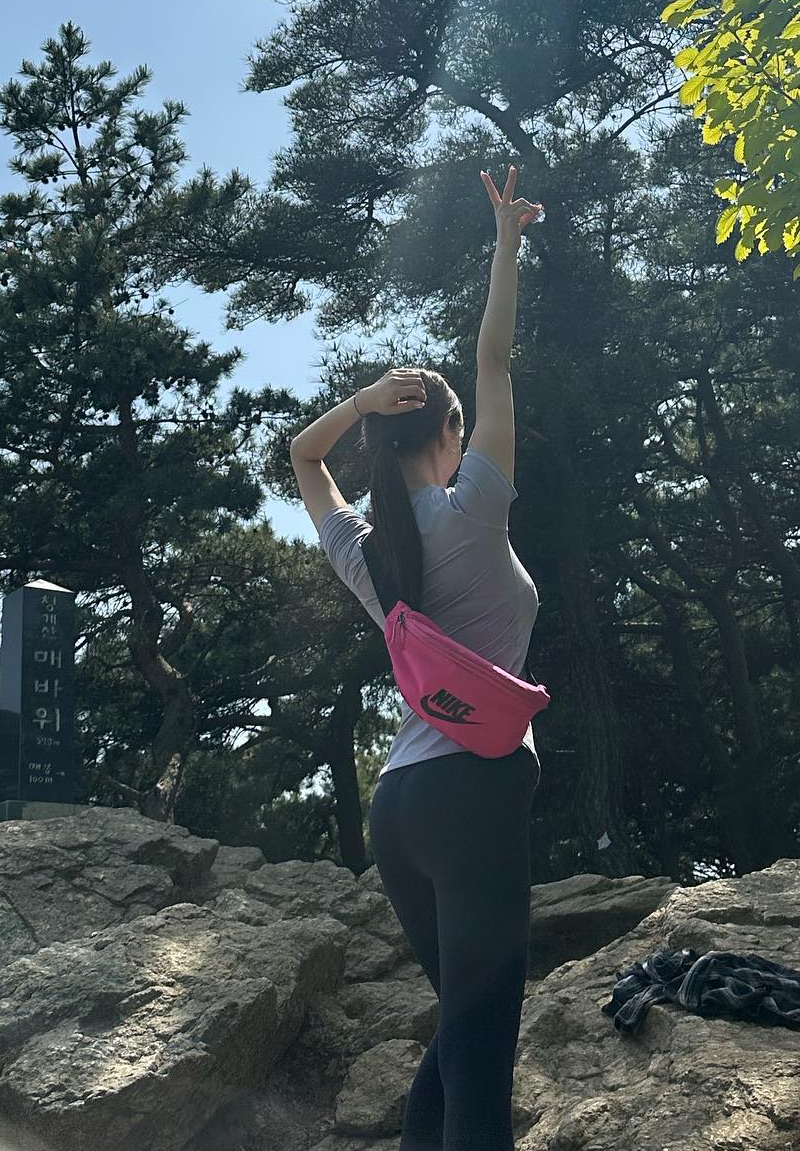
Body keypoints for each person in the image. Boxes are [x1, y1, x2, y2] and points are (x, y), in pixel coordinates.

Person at [289, 164, 544, 1151]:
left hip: (399, 808)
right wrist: (506, 243)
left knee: (459, 1035)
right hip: (476, 796)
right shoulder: (475, 505)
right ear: (449, 434)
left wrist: (358, 401)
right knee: (480, 1060)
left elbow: (303, 457)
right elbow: (494, 356)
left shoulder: (368, 548)